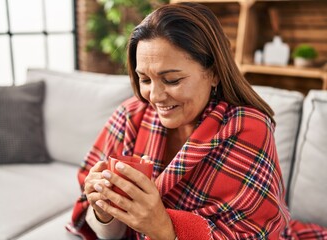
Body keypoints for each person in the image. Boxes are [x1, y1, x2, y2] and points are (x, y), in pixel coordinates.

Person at [66, 2, 327, 240]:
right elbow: (106, 232)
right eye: (144, 79)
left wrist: (163, 227)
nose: (154, 96)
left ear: (213, 73)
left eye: (172, 80)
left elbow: (252, 234)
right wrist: (103, 211)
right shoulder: (131, 116)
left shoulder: (247, 127)